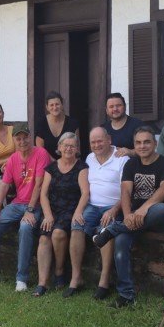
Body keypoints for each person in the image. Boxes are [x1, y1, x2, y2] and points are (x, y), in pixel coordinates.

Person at [93, 126, 164, 308]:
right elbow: (125, 191)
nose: (142, 146)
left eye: (147, 142)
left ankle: (112, 230)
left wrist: (143, 209)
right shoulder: (131, 164)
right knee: (121, 243)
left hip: (156, 217)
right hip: (133, 220)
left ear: (155, 144)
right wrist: (129, 213)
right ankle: (126, 296)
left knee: (160, 209)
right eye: (138, 142)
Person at [0, 123, 50, 291]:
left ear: (30, 137)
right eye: (18, 138)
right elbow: (4, 186)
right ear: (14, 140)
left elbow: (38, 185)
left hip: (36, 205)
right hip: (17, 204)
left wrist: (30, 210)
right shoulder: (13, 158)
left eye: (25, 137)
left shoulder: (41, 153)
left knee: (25, 227)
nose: (22, 141)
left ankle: (21, 279)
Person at [69, 127, 129, 300]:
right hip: (92, 206)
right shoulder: (89, 158)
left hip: (112, 206)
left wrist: (114, 209)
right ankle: (76, 277)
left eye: (100, 140)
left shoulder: (121, 159)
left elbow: (126, 191)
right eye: (93, 142)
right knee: (76, 226)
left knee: (106, 230)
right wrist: (79, 209)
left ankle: (104, 281)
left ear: (109, 139)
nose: (96, 145)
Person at [35, 132, 89, 297]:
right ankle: (42, 283)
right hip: (52, 210)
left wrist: (78, 212)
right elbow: (43, 194)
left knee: (58, 233)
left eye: (72, 146)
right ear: (59, 147)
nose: (68, 148)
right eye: (65, 145)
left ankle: (59, 271)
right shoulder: (51, 168)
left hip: (70, 210)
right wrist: (48, 215)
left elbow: (85, 193)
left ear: (77, 149)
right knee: (44, 238)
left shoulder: (81, 167)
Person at [35, 91, 80, 160]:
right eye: (51, 105)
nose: (55, 107)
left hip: (69, 163)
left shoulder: (73, 123)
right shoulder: (41, 123)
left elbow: (77, 149)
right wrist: (56, 164)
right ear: (47, 107)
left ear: (62, 105)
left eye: (57, 104)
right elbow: (40, 150)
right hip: (47, 163)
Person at [101, 92, 144, 157]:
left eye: (118, 105)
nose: (115, 109)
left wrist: (131, 152)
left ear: (125, 107)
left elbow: (147, 148)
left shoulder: (138, 125)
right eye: (111, 107)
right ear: (107, 110)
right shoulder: (103, 129)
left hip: (133, 165)